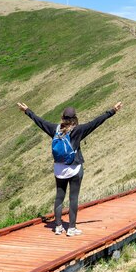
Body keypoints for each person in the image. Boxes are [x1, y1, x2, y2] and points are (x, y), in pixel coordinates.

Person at [17, 101, 122, 236]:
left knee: (59, 197)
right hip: (74, 168)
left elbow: (40, 121)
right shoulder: (79, 130)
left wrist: (27, 111)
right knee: (73, 198)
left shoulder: (55, 129)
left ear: (62, 117)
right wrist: (112, 110)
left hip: (59, 169)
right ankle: (71, 228)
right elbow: (96, 122)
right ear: (75, 118)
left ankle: (58, 226)